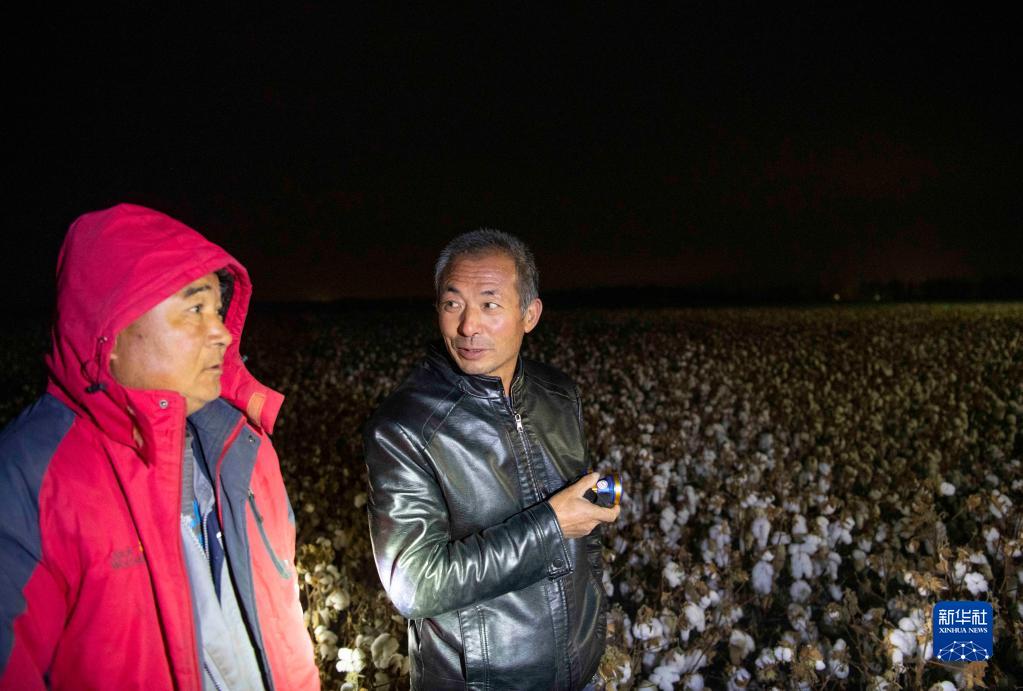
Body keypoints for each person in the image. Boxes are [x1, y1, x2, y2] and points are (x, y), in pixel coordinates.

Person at [0, 204, 318, 690]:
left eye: (218, 310)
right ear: (110, 333)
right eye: (195, 310)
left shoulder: (246, 453)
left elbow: (286, 636)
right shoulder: (31, 481)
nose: (222, 333)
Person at [364, 229, 620, 689]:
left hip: (581, 672)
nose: (468, 327)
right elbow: (415, 584)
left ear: (529, 314)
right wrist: (551, 525)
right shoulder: (404, 427)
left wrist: (594, 630)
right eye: (453, 304)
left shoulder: (559, 395)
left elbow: (586, 534)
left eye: (489, 304)